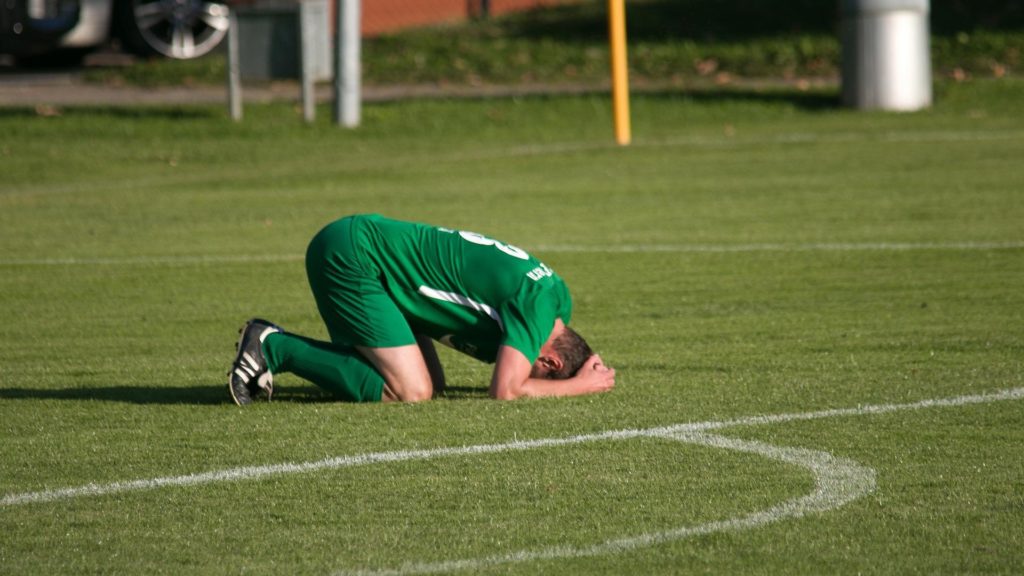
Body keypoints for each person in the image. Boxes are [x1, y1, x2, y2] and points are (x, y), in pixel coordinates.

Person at [228, 214, 615, 405]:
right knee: (411, 390)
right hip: (355, 257)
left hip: (371, 260)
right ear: (549, 363)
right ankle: (272, 346)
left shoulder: (556, 299)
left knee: (431, 383)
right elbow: (506, 391)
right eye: (543, 374)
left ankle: (296, 353)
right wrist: (580, 386)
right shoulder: (537, 310)